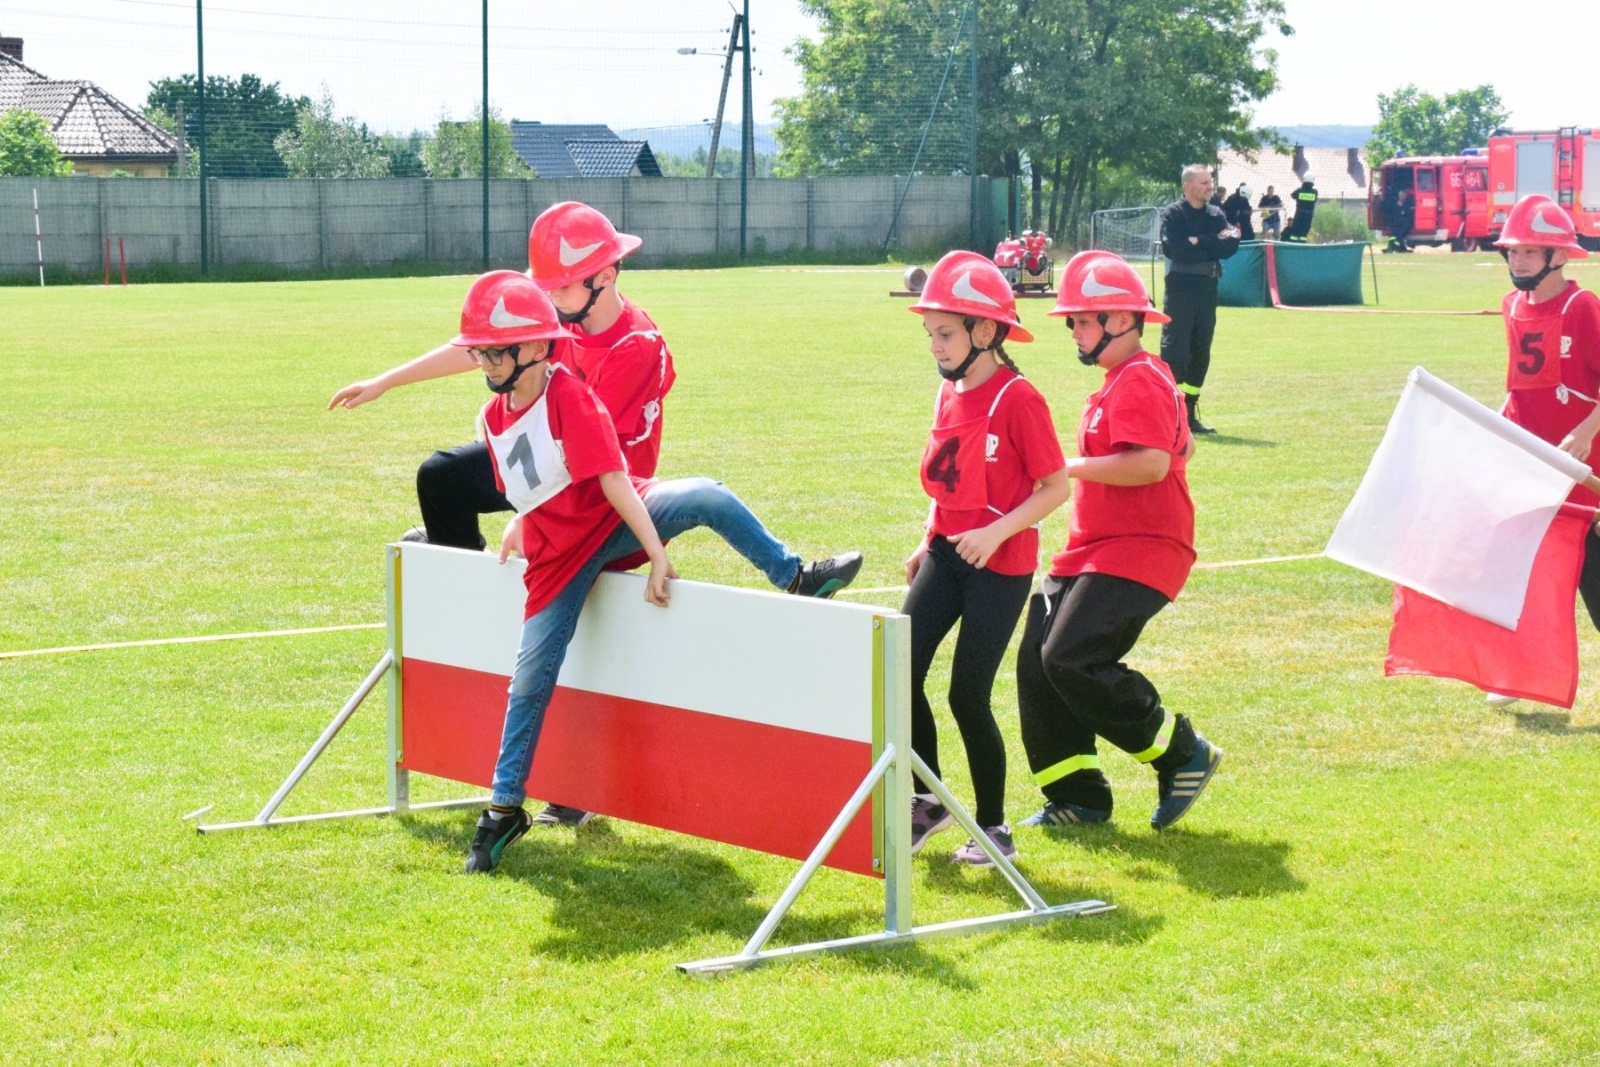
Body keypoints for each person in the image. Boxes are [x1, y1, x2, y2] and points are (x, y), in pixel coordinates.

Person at [451, 271, 864, 873]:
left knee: (708, 496)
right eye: (480, 352)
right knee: (530, 678)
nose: (484, 362)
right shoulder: (490, 417)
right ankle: (504, 807)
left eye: (495, 351)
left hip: (617, 516)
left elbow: (614, 479)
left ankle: (796, 575)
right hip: (558, 556)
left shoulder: (570, 393)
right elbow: (530, 482)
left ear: (536, 348)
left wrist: (658, 551)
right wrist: (521, 520)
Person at [328, 202, 675, 553]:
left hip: (598, 492)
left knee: (466, 488)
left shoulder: (635, 347)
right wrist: (385, 381)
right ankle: (464, 570)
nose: (550, 295)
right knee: (442, 478)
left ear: (604, 277)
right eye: (546, 285)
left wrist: (531, 514)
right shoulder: (566, 303)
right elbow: (486, 345)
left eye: (561, 286)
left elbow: (599, 462)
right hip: (547, 451)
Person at [1014, 250, 1222, 832]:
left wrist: (1066, 467)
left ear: (1123, 321)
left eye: (1083, 320)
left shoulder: (1137, 379)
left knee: (1071, 656)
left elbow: (1152, 464)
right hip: (1095, 546)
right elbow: (1182, 449)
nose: (1074, 331)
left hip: (1141, 547)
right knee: (1038, 660)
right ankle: (1077, 798)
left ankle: (1182, 753)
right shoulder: (1131, 378)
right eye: (1072, 321)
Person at [902, 251, 1072, 866]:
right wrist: (928, 539)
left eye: (944, 333)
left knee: (966, 696)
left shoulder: (1019, 398)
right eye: (930, 334)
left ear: (986, 331)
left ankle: (995, 829)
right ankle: (928, 799)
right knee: (898, 671)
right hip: (948, 555)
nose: (935, 346)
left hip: (1000, 568)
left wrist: (997, 533)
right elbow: (946, 486)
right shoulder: (948, 394)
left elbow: (1056, 487)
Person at [1486, 195, 1600, 709]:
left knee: (1594, 583)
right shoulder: (1511, 307)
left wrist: (1587, 428)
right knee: (1518, 571)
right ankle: (1515, 673)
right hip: (1529, 470)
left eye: (1531, 252)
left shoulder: (1584, 307)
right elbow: (1521, 385)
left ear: (1560, 257)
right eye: (1514, 252)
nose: (1519, 262)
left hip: (1586, 476)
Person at [1159, 163, 1241, 436]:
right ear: (1188, 186)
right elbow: (1178, 250)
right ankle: (1169, 413)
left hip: (1207, 288)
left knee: (1200, 350)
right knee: (1176, 351)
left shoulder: (1216, 213)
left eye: (1210, 182)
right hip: (1181, 289)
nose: (1210, 187)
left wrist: (1200, 240)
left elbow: (1231, 242)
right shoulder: (1173, 215)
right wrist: (1208, 244)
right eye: (1204, 183)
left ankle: (1190, 412)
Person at [1284, 173, 1319, 242]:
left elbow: (1292, 196)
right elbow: (1315, 200)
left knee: (1296, 228)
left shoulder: (1299, 191)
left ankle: (1293, 243)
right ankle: (1302, 243)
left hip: (1299, 212)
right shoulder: (1314, 192)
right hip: (1309, 213)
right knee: (1305, 229)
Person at [1386, 188, 1414, 253]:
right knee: (1392, 235)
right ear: (1399, 196)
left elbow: (1408, 215)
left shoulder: (1407, 204)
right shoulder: (1394, 205)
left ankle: (1398, 248)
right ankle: (1393, 247)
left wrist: (1402, 207)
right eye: (1401, 196)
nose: (1403, 197)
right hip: (1395, 224)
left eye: (1404, 196)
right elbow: (1391, 214)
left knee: (1399, 235)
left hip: (1404, 225)